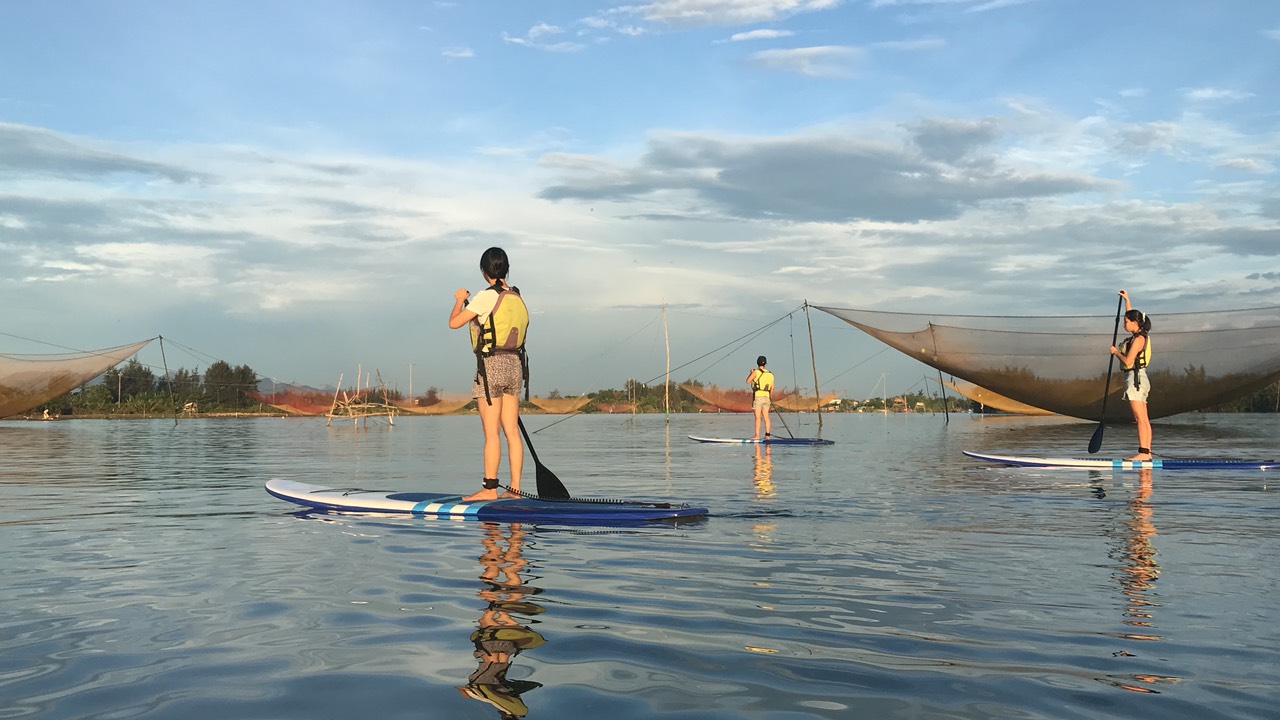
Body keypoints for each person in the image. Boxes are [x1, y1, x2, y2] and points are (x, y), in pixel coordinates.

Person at [449, 247, 530, 501]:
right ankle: (515, 489)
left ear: (485, 272)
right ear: (506, 269)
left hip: (492, 366)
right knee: (512, 431)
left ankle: (490, 488)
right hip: (515, 365)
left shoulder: (486, 297)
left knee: (492, 432)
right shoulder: (516, 296)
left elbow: (454, 323)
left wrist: (459, 300)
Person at [1109, 289, 1153, 461]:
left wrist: (1115, 352)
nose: (1124, 325)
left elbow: (1128, 362)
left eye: (1126, 322)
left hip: (1135, 380)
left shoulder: (1138, 340)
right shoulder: (1140, 335)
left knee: (1140, 418)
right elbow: (1132, 315)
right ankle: (1147, 453)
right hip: (1140, 379)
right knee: (1144, 419)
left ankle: (1143, 453)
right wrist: (1127, 300)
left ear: (1135, 323)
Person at [745, 355, 774, 441]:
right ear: (766, 363)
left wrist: (751, 373)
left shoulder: (756, 372)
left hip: (758, 397)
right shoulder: (771, 374)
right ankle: (767, 435)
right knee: (766, 416)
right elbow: (772, 388)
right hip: (767, 397)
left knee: (758, 417)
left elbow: (747, 381)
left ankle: (757, 435)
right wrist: (769, 397)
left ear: (757, 363)